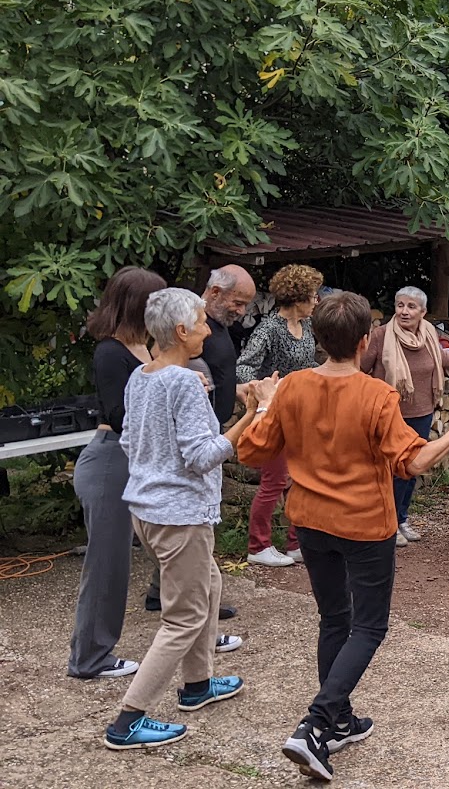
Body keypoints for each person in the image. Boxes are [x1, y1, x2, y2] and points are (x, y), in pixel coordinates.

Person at [237, 292, 449, 782]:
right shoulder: (376, 395)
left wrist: (263, 405)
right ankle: (317, 722)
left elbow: (250, 451)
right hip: (365, 524)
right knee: (368, 626)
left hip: (309, 521)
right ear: (365, 340)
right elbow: (411, 462)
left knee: (334, 618)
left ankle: (341, 719)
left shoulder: (291, 388)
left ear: (318, 341)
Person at [103, 287, 275, 750]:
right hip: (179, 515)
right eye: (201, 321)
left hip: (148, 509)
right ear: (180, 331)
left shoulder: (142, 375)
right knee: (183, 617)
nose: (207, 329)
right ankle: (128, 720)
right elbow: (205, 456)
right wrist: (256, 409)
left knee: (210, 585)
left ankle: (198, 684)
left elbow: (128, 443)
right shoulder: (182, 382)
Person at [69, 267, 165, 681]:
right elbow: (119, 415)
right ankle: (88, 658)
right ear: (138, 306)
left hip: (134, 461)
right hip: (111, 462)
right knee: (107, 565)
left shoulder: (146, 348)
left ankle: (194, 634)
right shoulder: (111, 352)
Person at [145, 264, 257, 618]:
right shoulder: (187, 326)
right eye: (237, 302)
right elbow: (161, 360)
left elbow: (216, 372)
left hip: (211, 421)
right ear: (214, 293)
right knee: (195, 521)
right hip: (198, 433)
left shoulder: (215, 327)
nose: (241, 311)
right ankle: (195, 601)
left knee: (197, 522)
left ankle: (161, 591)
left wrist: (235, 390)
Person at [363, 286, 449, 540]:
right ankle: (389, 524)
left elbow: (440, 358)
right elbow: (360, 367)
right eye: (400, 305)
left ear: (423, 312)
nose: (404, 312)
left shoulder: (428, 334)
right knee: (393, 471)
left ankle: (402, 519)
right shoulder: (381, 336)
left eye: (411, 307)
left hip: (422, 411)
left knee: (413, 469)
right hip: (390, 413)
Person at [237, 263, 323, 568]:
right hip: (276, 416)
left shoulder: (308, 327)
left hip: (304, 414)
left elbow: (309, 361)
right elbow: (244, 367)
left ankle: (296, 544)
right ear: (297, 297)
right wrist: (267, 388)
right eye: (313, 296)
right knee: (274, 481)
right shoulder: (269, 329)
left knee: (302, 479)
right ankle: (257, 545)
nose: (316, 301)